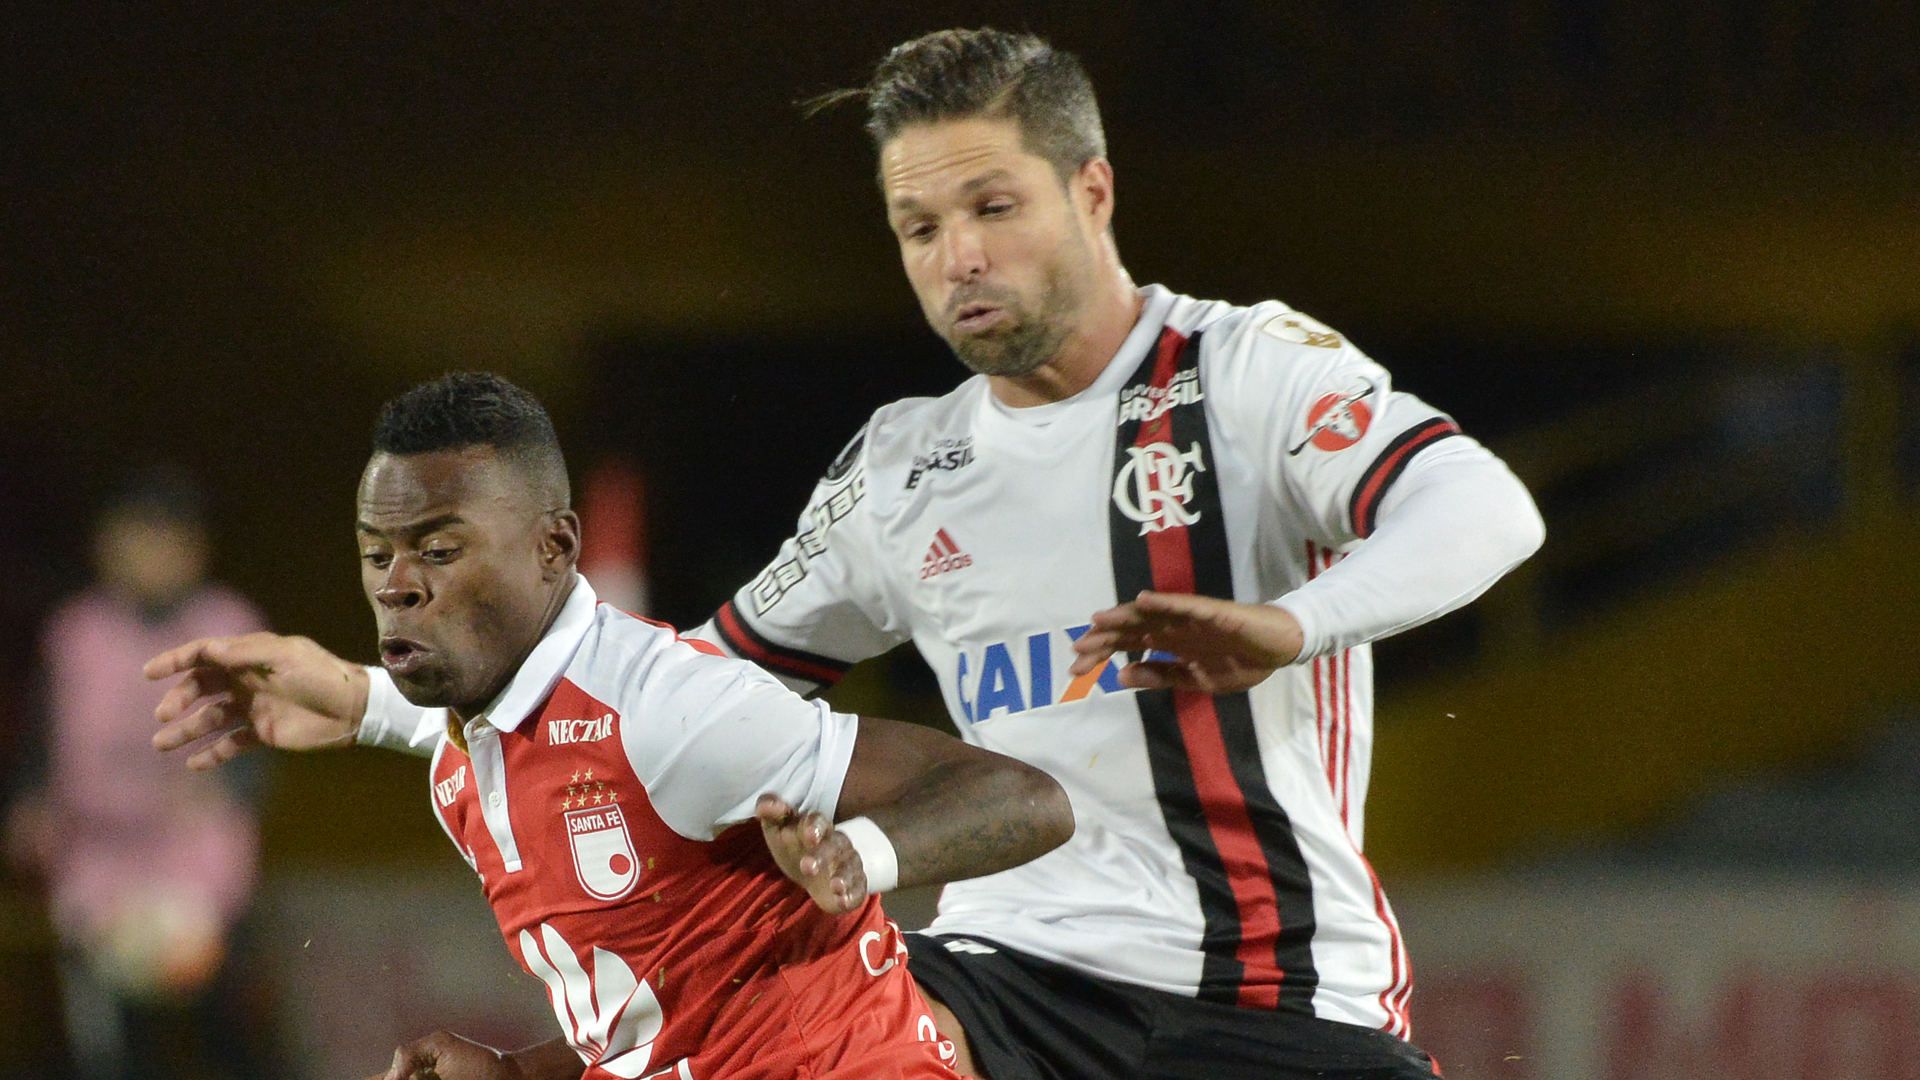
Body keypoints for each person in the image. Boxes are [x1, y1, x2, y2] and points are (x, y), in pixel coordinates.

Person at [159, 29, 1545, 1080]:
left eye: (994, 208)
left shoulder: (1240, 372)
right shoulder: (903, 467)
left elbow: (1485, 511)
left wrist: (1293, 625)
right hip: (1003, 991)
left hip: (1270, 1000)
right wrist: (367, 703)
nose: (959, 258)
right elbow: (658, 701)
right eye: (919, 228)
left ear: (1095, 189)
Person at [146, 372, 1075, 1079]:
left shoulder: (670, 709)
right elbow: (664, 1010)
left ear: (554, 547)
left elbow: (1026, 798)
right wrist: (516, 1071)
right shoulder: (469, 759)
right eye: (374, 553)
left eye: (436, 549)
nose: (398, 584)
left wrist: (856, 858)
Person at [4, 467, 275, 1080]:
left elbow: (269, 742)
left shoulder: (231, 622)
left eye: (164, 537)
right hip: (98, 862)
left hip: (197, 862)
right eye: (133, 535)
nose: (147, 553)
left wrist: (232, 788)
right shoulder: (75, 631)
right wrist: (27, 803)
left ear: (194, 548)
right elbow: (39, 745)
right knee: (108, 1045)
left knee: (224, 1027)